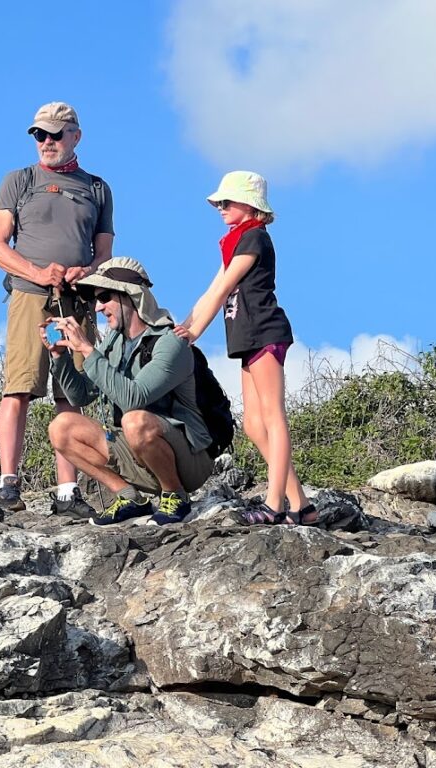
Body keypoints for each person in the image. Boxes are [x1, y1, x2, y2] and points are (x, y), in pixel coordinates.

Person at [0, 102, 114, 516]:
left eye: (55, 135)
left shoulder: (96, 188)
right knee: (19, 386)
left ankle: (67, 492)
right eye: (40, 135)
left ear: (76, 136)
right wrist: (38, 274)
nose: (46, 142)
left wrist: (86, 271)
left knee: (71, 393)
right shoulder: (18, 181)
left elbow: (105, 257)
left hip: (77, 301)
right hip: (29, 295)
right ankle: (8, 484)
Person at [174, 171, 316, 525]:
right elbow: (212, 290)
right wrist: (184, 327)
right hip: (246, 338)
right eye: (219, 202)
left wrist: (194, 334)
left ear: (250, 205)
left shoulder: (254, 238)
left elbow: (223, 290)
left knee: (272, 417)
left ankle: (275, 503)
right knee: (253, 425)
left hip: (264, 333)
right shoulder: (236, 241)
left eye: (227, 202)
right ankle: (302, 504)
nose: (220, 208)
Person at [44, 258, 213, 526]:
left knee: (134, 420)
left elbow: (134, 398)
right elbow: (81, 396)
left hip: (189, 460)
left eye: (105, 297)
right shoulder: (115, 342)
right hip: (137, 451)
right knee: (61, 427)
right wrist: (60, 358)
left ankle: (175, 496)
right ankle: (129, 497)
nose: (98, 307)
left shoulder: (170, 343)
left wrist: (88, 350)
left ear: (131, 296)